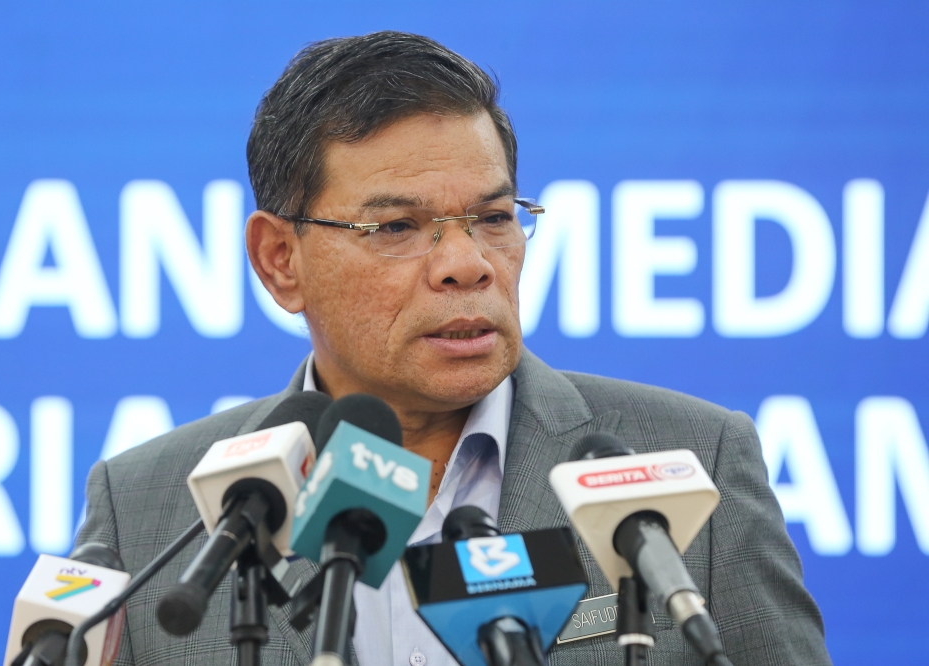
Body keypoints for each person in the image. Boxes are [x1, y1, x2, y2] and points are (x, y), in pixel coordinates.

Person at [76, 31, 832, 666]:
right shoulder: (148, 507)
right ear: (280, 259)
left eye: (493, 217)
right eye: (398, 228)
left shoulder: (694, 460)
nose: (466, 263)